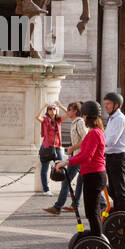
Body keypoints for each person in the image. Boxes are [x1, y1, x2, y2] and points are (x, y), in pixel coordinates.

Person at [53, 100, 107, 236]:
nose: (82, 118)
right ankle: (95, 235)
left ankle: (97, 237)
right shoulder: (94, 132)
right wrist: (66, 160)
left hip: (94, 175)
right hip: (92, 174)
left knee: (92, 212)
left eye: (83, 116)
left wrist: (66, 163)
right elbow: (83, 154)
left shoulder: (94, 133)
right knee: (90, 211)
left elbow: (86, 157)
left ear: (87, 116)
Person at [45, 101, 85, 216]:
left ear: (75, 111)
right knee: (80, 182)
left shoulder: (80, 123)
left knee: (70, 181)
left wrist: (73, 147)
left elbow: (86, 140)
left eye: (69, 110)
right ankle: (73, 205)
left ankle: (58, 207)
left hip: (79, 157)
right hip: (76, 156)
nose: (67, 112)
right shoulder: (74, 122)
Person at [102, 91, 125, 214]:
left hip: (118, 157)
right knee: (113, 188)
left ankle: (122, 213)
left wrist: (98, 146)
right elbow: (104, 136)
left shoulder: (120, 119)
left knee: (119, 188)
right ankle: (118, 208)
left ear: (116, 105)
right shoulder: (112, 118)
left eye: (108, 104)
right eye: (105, 104)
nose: (106, 106)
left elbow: (112, 140)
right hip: (110, 156)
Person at [37, 101, 64, 194]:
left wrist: (60, 106)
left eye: (54, 109)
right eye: (50, 109)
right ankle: (46, 190)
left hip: (57, 147)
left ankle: (64, 189)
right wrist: (43, 107)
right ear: (47, 111)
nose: (52, 110)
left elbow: (68, 114)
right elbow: (37, 117)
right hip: (47, 147)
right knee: (44, 169)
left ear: (56, 111)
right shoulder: (45, 120)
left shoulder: (58, 120)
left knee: (62, 167)